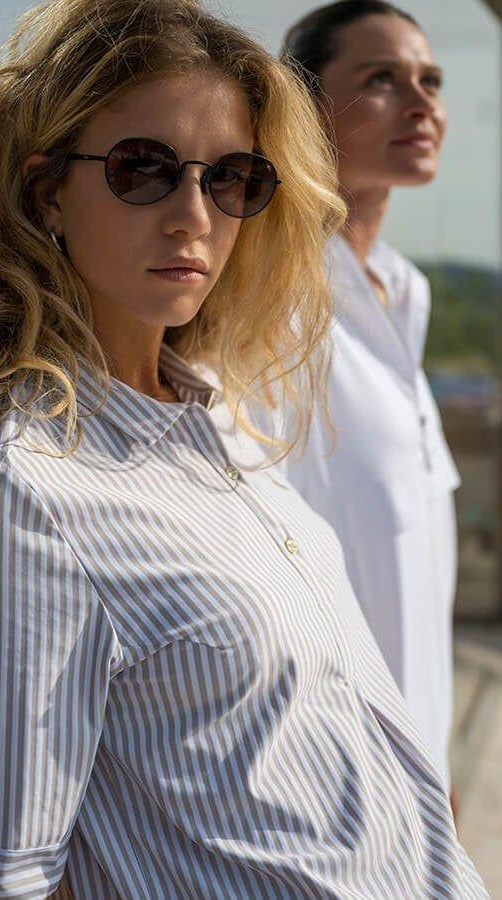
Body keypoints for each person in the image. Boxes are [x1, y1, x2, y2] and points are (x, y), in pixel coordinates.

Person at [0, 1, 486, 897]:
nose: (192, 215)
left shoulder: (230, 433)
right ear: (49, 191)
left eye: (233, 178)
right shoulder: (19, 489)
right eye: (143, 170)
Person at [248, 0, 460, 796]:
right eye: (382, 79)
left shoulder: (404, 292)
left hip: (420, 783)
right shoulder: (269, 311)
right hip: (334, 794)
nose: (423, 103)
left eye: (431, 80)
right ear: (304, 107)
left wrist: (434, 763)